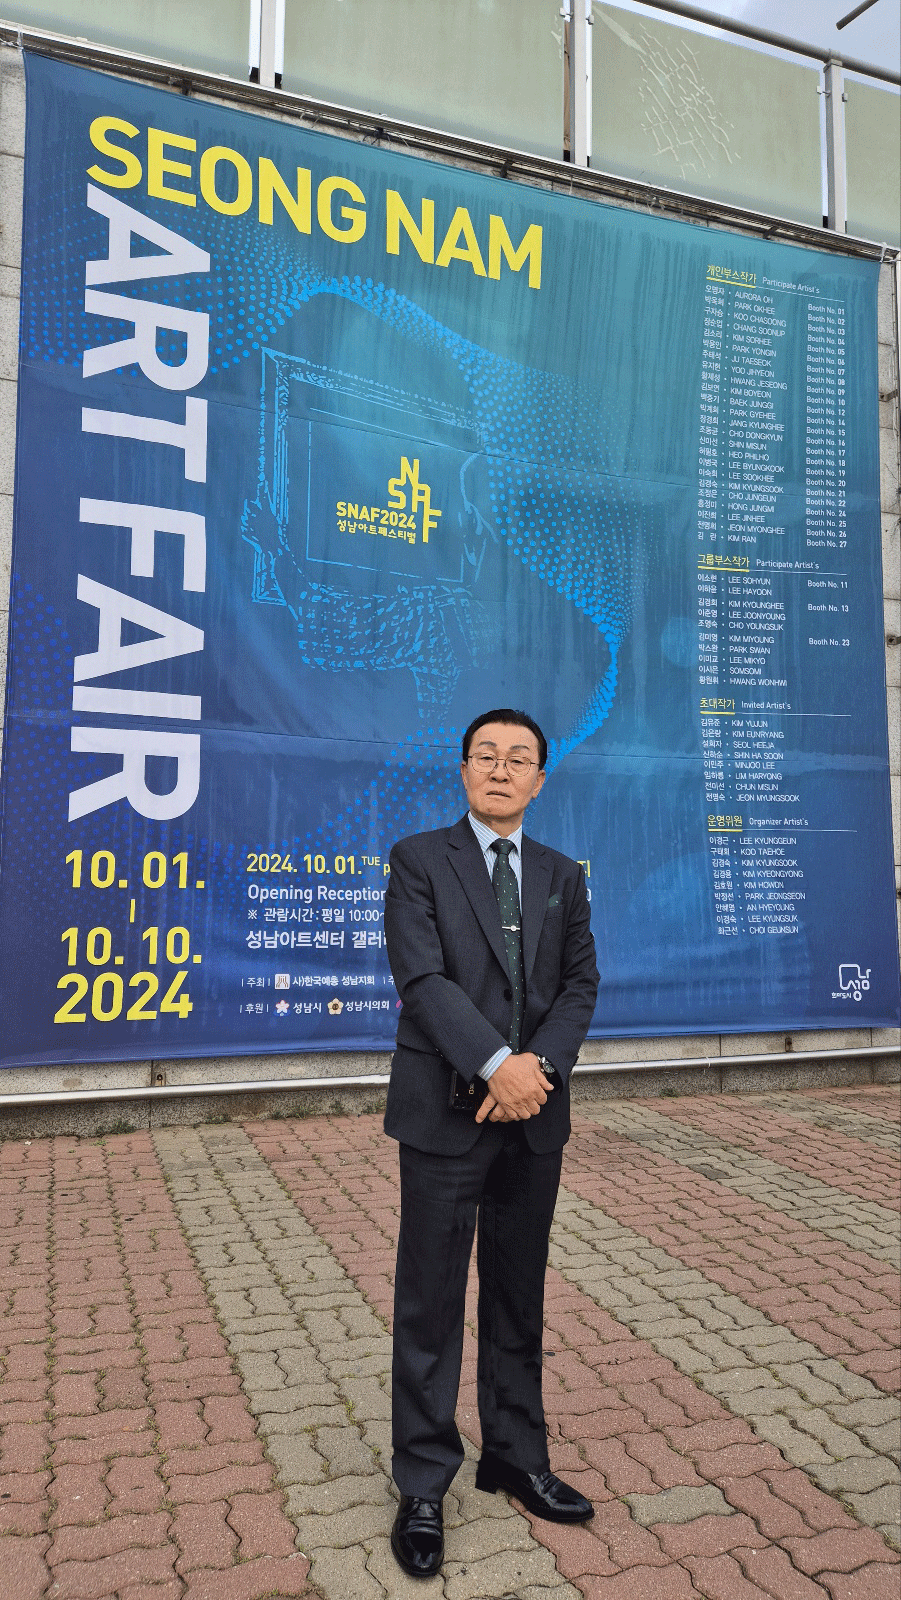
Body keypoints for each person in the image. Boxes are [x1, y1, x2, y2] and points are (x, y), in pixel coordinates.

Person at [383, 708, 600, 1579]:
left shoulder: (560, 874)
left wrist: (535, 1069)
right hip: (445, 1113)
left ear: (540, 780)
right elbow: (421, 977)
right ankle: (422, 1483)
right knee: (429, 1305)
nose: (501, 769)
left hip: (533, 1115)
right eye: (486, 755)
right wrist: (494, 1064)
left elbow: (580, 984)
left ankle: (514, 1455)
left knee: (518, 1296)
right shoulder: (417, 859)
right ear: (464, 769)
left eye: (518, 759)